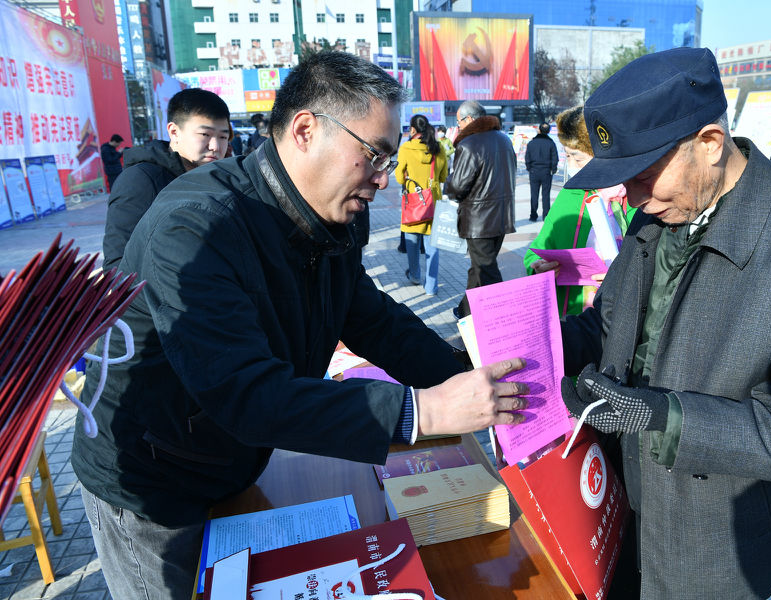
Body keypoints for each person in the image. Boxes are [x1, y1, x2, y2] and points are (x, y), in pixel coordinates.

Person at [71, 51, 528, 600]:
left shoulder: (329, 220)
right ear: (306, 130)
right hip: (152, 487)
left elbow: (375, 321)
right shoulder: (196, 227)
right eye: (374, 155)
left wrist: (464, 373)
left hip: (231, 460)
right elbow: (248, 395)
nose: (383, 179)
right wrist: (423, 410)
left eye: (388, 159)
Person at [557, 47, 771, 598]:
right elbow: (607, 324)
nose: (631, 198)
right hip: (616, 506)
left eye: (643, 176)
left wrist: (667, 418)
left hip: (712, 546)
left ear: (709, 143)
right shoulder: (658, 212)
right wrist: (518, 339)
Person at [523, 106, 637, 317]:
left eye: (578, 158)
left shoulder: (634, 196)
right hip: (572, 314)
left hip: (621, 315)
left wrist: (624, 277)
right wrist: (538, 268)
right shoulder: (570, 195)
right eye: (567, 156)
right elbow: (535, 252)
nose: (571, 165)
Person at [101, 88, 231, 270]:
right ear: (174, 132)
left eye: (223, 137)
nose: (215, 146)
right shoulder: (141, 180)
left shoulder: (217, 179)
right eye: (205, 135)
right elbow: (118, 263)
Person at [444, 100, 516, 319]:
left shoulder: (469, 144)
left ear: (469, 119)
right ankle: (465, 311)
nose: (458, 126)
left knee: (486, 270)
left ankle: (504, 317)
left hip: (478, 220)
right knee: (479, 267)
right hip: (502, 215)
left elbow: (457, 186)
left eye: (459, 122)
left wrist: (447, 183)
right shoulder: (504, 139)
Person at [396, 114, 448, 295]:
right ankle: (431, 287)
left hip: (413, 202)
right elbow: (443, 177)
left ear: (412, 129)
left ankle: (415, 275)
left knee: (412, 243)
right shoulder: (438, 148)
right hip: (433, 202)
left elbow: (399, 177)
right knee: (433, 247)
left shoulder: (406, 148)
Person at [524, 122, 558, 221]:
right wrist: (553, 169)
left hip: (534, 171)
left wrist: (529, 168)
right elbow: (555, 158)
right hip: (546, 171)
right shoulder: (551, 143)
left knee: (534, 194)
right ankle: (546, 215)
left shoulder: (531, 143)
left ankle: (533, 215)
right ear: (549, 131)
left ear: (539, 130)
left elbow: (527, 157)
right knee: (546, 194)